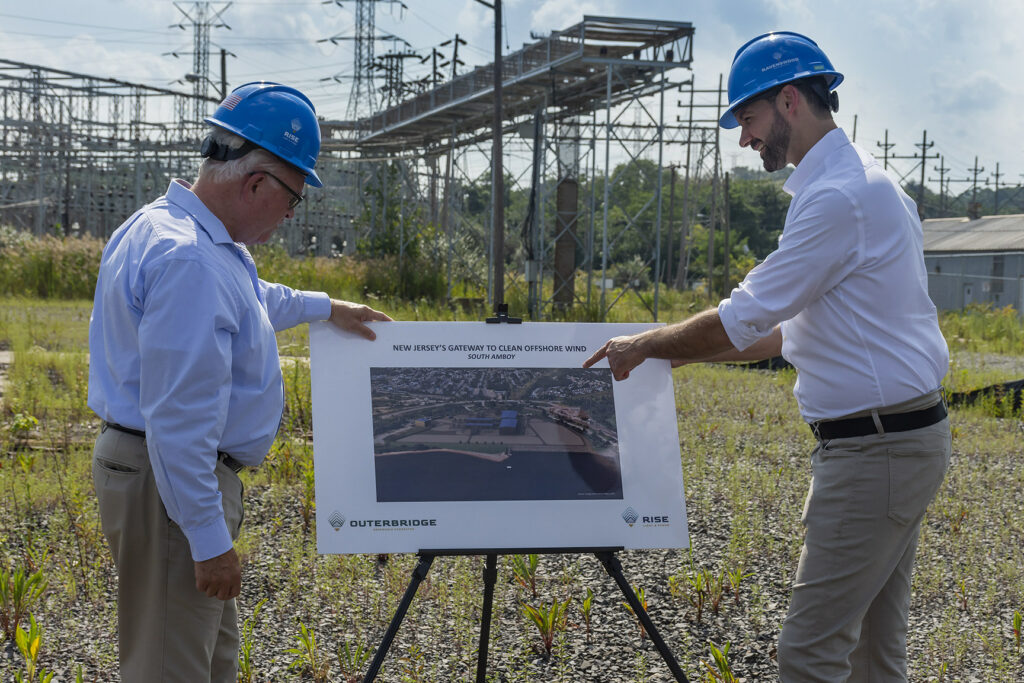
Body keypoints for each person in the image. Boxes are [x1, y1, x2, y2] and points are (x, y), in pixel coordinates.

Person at [584, 32, 950, 682]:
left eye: (747, 119)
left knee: (809, 655)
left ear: (787, 102)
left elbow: (743, 314)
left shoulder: (838, 198)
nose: (744, 138)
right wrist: (670, 357)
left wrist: (645, 342)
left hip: (876, 452)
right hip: (900, 438)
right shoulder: (870, 184)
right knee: (873, 653)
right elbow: (786, 333)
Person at [88, 81, 392, 682]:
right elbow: (178, 420)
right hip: (171, 481)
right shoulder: (191, 261)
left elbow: (249, 304)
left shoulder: (176, 232)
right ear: (257, 183)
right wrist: (207, 537)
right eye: (294, 200)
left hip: (163, 476)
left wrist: (326, 307)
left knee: (205, 658)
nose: (289, 216)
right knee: (171, 667)